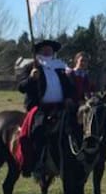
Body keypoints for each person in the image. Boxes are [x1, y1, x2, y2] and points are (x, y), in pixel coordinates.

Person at [16, 39, 77, 178]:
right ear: (38, 51)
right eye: (44, 49)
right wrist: (31, 78)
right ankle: (37, 162)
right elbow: (21, 87)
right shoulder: (31, 67)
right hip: (40, 108)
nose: (47, 51)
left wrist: (69, 97)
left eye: (50, 49)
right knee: (38, 130)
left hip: (61, 107)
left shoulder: (60, 67)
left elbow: (69, 86)